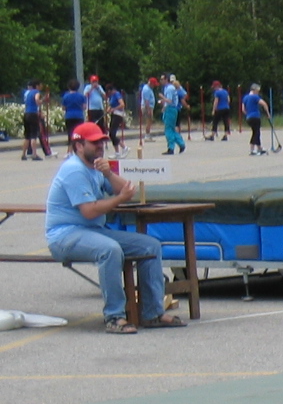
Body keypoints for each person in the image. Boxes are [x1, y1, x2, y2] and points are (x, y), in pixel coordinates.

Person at [44, 122, 184, 333]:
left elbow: (127, 190)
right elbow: (89, 211)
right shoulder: (74, 170)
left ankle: (152, 313)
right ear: (79, 146)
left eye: (102, 141)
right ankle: (114, 316)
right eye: (94, 143)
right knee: (110, 250)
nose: (100, 146)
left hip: (92, 231)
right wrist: (119, 199)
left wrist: (109, 174)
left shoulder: (96, 168)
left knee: (150, 246)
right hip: (65, 235)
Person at [160, 74, 187, 155]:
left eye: (162, 79)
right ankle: (181, 143)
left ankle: (171, 148)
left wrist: (162, 97)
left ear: (166, 79)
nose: (161, 81)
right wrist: (164, 107)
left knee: (168, 129)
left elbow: (169, 100)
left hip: (171, 109)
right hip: (171, 109)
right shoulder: (169, 88)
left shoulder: (169, 88)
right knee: (172, 128)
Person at [20, 80, 43, 161]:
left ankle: (23, 154)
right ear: (36, 86)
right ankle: (34, 154)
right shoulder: (36, 92)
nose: (41, 87)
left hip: (26, 113)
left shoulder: (28, 93)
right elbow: (37, 99)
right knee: (33, 135)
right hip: (33, 114)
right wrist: (40, 102)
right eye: (40, 85)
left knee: (27, 136)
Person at [243, 83, 266, 155]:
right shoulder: (255, 97)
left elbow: (243, 109)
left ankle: (259, 148)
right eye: (257, 91)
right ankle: (252, 150)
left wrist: (248, 114)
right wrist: (267, 113)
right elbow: (264, 104)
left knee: (256, 132)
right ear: (254, 90)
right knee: (256, 133)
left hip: (249, 117)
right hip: (255, 117)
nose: (258, 92)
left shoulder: (245, 97)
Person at [106, 83, 126, 156]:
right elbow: (111, 105)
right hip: (114, 114)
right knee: (111, 134)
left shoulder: (117, 94)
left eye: (109, 92)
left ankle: (124, 147)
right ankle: (117, 152)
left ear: (111, 90)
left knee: (112, 133)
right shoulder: (112, 96)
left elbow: (122, 104)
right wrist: (109, 109)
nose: (109, 93)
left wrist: (114, 109)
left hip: (118, 114)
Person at [139, 76, 158, 143]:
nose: (154, 86)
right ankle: (147, 136)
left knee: (149, 121)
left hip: (149, 107)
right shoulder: (147, 89)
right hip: (147, 107)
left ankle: (148, 135)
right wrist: (149, 110)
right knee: (148, 121)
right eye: (154, 84)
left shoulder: (148, 88)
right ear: (150, 83)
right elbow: (147, 101)